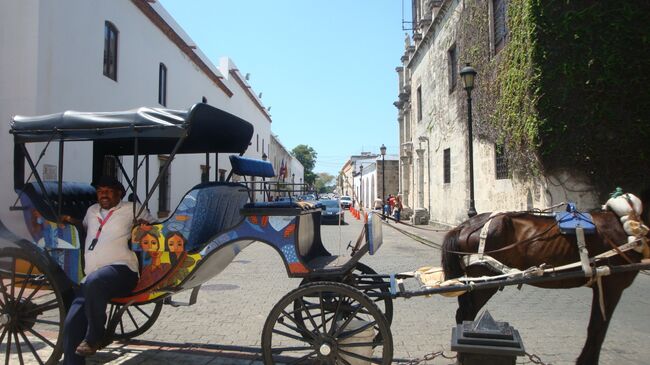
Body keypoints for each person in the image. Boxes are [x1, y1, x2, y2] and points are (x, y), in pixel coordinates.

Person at [61, 175, 153, 364]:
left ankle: (95, 336)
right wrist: (70, 221)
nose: (103, 194)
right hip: (91, 278)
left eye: (109, 191)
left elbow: (155, 225)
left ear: (119, 193)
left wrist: (144, 226)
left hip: (122, 271)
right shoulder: (91, 210)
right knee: (71, 325)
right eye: (100, 190)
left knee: (96, 280)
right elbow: (86, 228)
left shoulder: (132, 208)